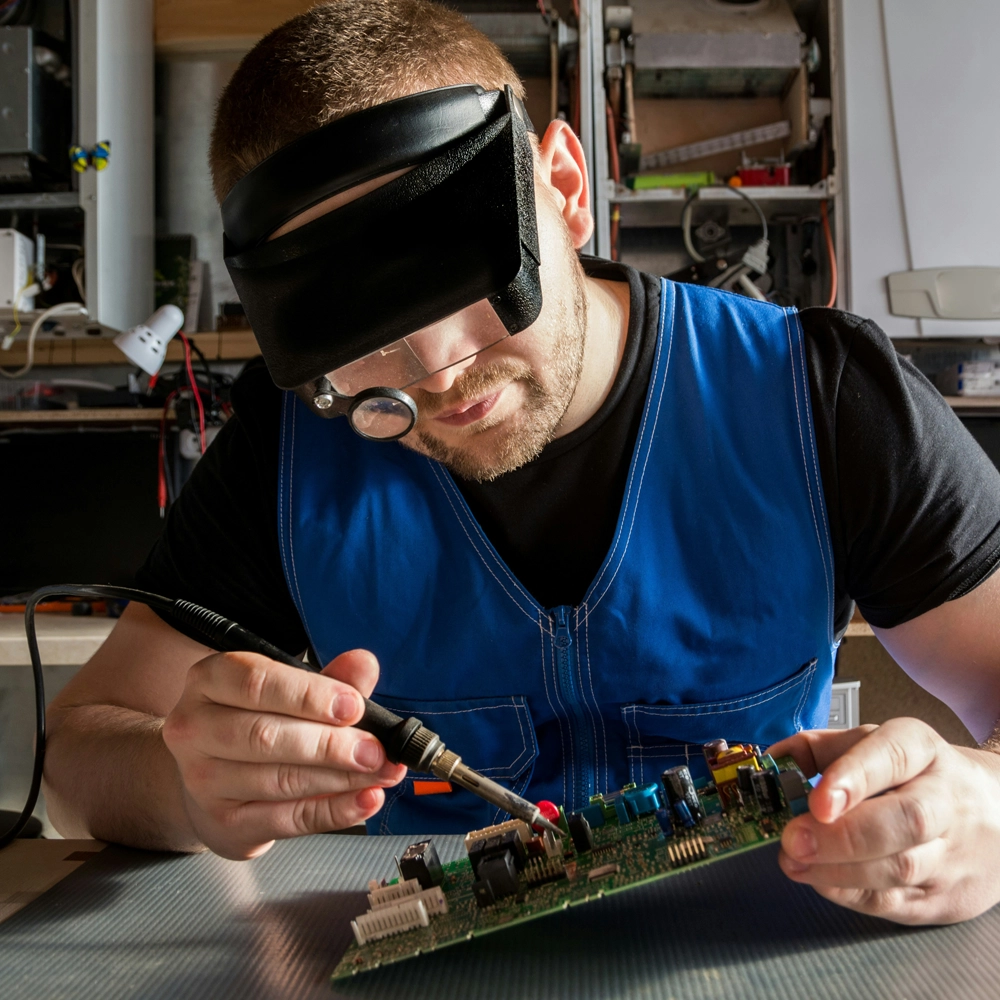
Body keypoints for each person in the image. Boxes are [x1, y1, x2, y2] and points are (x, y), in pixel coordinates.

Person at [44, 0, 1000, 927]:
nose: (438, 375)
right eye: (367, 342)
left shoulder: (820, 396)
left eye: (465, 289)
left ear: (567, 188)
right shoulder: (289, 452)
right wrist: (187, 781)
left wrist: (987, 803)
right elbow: (81, 757)